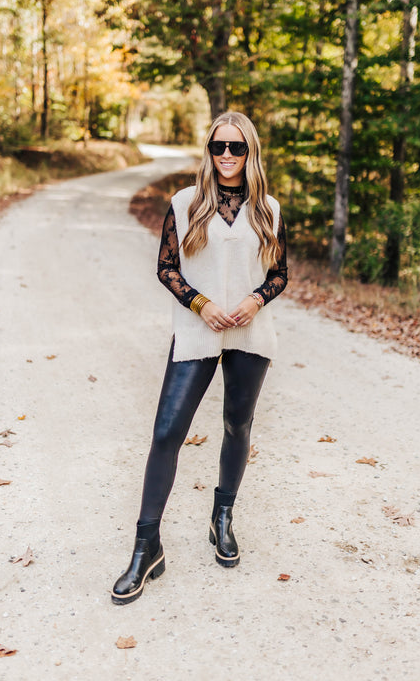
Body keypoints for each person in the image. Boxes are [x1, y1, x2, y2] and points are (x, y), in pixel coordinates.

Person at [111, 111, 288, 605]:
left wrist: (255, 299)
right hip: (197, 330)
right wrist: (201, 304)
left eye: (236, 148)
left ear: (250, 152)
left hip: (251, 333)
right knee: (167, 431)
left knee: (237, 425)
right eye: (218, 147)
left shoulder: (267, 209)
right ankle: (148, 547)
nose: (227, 156)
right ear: (208, 152)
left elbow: (280, 274)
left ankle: (222, 517)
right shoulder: (185, 203)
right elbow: (166, 267)